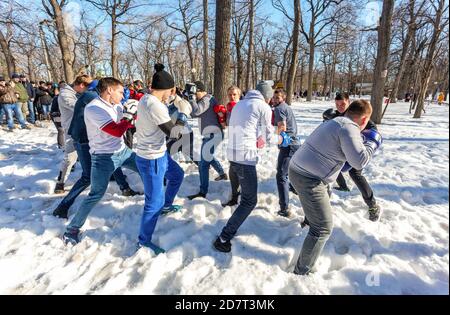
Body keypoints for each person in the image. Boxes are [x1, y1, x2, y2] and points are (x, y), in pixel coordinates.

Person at [289, 100, 382, 275]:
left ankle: (310, 221)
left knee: (322, 206)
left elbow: (342, 157)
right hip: (308, 178)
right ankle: (301, 272)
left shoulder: (336, 121)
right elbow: (359, 162)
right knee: (323, 227)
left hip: (301, 171)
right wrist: (371, 144)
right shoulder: (349, 128)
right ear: (364, 120)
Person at [62, 77, 141, 245]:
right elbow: (115, 130)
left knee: (147, 170)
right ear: (109, 90)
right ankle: (71, 230)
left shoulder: (118, 105)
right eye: (120, 92)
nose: (123, 95)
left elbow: (128, 125)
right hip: (103, 157)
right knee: (96, 193)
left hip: (123, 151)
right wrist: (128, 117)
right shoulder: (94, 108)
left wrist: (134, 115)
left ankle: (160, 205)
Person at [214, 81, 291, 253]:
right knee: (249, 201)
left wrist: (258, 139)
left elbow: (244, 128)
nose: (271, 101)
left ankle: (227, 230)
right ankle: (224, 237)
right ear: (267, 96)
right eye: (270, 98)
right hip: (245, 158)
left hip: (233, 155)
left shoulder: (240, 104)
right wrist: (282, 139)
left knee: (245, 196)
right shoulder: (262, 106)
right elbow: (270, 136)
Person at [135, 64, 189, 254]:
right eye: (171, 91)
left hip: (158, 153)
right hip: (152, 158)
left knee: (177, 175)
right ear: (167, 88)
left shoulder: (147, 99)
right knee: (153, 202)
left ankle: (166, 206)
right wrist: (183, 115)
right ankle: (143, 241)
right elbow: (174, 133)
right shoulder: (154, 105)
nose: (171, 94)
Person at [322, 92, 381, 220]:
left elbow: (372, 129)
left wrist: (365, 137)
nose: (340, 107)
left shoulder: (357, 114)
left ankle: (372, 205)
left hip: (356, 151)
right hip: (341, 150)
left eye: (342, 104)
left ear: (348, 102)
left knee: (355, 173)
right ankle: (333, 194)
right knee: (331, 167)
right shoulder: (337, 115)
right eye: (337, 104)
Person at [187, 81, 228, 200]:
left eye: (195, 94)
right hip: (210, 134)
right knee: (208, 156)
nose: (194, 96)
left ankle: (203, 191)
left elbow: (195, 111)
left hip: (213, 134)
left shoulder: (207, 99)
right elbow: (193, 114)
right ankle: (222, 173)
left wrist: (191, 98)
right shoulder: (203, 101)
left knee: (203, 164)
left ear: (199, 90)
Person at [53, 75, 93, 194]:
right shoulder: (65, 94)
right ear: (81, 85)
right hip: (73, 131)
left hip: (87, 129)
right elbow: (79, 107)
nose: (89, 91)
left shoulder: (81, 93)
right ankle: (60, 182)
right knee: (70, 158)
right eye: (87, 88)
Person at [272, 89, 300, 218]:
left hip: (288, 144)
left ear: (283, 97)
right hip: (294, 143)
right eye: (274, 97)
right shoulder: (285, 106)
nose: (275, 99)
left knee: (281, 175)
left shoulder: (279, 109)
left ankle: (284, 208)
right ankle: (294, 188)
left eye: (278, 97)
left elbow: (282, 126)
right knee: (289, 170)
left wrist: (278, 139)